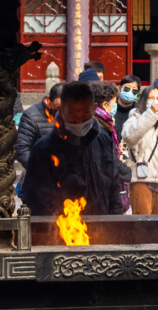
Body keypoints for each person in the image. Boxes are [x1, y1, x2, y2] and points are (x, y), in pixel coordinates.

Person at [23, 79, 127, 219]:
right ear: (61, 110)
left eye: (84, 115)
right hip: (64, 230)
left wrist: (116, 222)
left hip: (101, 227)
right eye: (72, 115)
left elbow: (113, 189)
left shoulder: (103, 141)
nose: (79, 122)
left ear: (94, 108)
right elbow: (34, 200)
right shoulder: (44, 149)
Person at [122, 79, 158, 214]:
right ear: (144, 100)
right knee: (142, 227)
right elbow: (129, 137)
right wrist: (150, 115)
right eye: (151, 98)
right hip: (141, 180)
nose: (155, 101)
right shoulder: (135, 118)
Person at [16, 82, 62, 170]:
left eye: (63, 108)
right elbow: (21, 148)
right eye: (56, 108)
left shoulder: (70, 115)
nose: (59, 112)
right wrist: (38, 168)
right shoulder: (31, 116)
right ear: (49, 100)